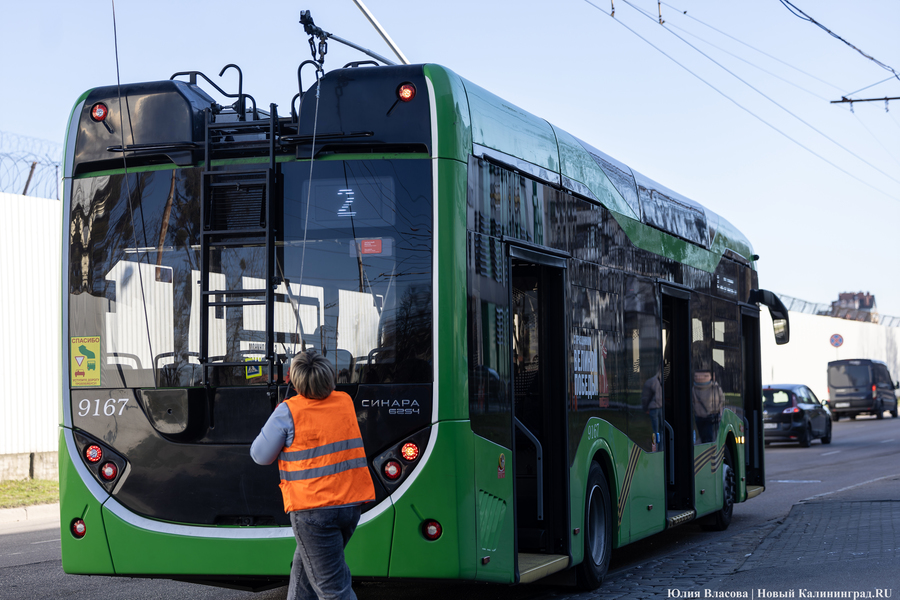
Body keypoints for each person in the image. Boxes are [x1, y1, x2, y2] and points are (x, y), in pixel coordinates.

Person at [251, 351, 375, 600]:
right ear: (330, 378)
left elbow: (260, 456)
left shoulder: (287, 412)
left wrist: (276, 418)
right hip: (350, 508)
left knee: (333, 591)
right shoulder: (345, 402)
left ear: (294, 382)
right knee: (304, 578)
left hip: (313, 513)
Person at [692, 369, 724, 443]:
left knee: (703, 436)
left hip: (699, 416)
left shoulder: (694, 388)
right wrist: (716, 410)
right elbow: (721, 400)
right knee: (708, 437)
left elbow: (693, 402)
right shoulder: (715, 387)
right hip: (710, 416)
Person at [641, 370, 663, 446]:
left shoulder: (651, 382)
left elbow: (645, 398)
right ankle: (660, 447)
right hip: (660, 407)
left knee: (655, 430)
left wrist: (645, 408)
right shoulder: (661, 381)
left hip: (654, 408)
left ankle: (656, 447)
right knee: (661, 430)